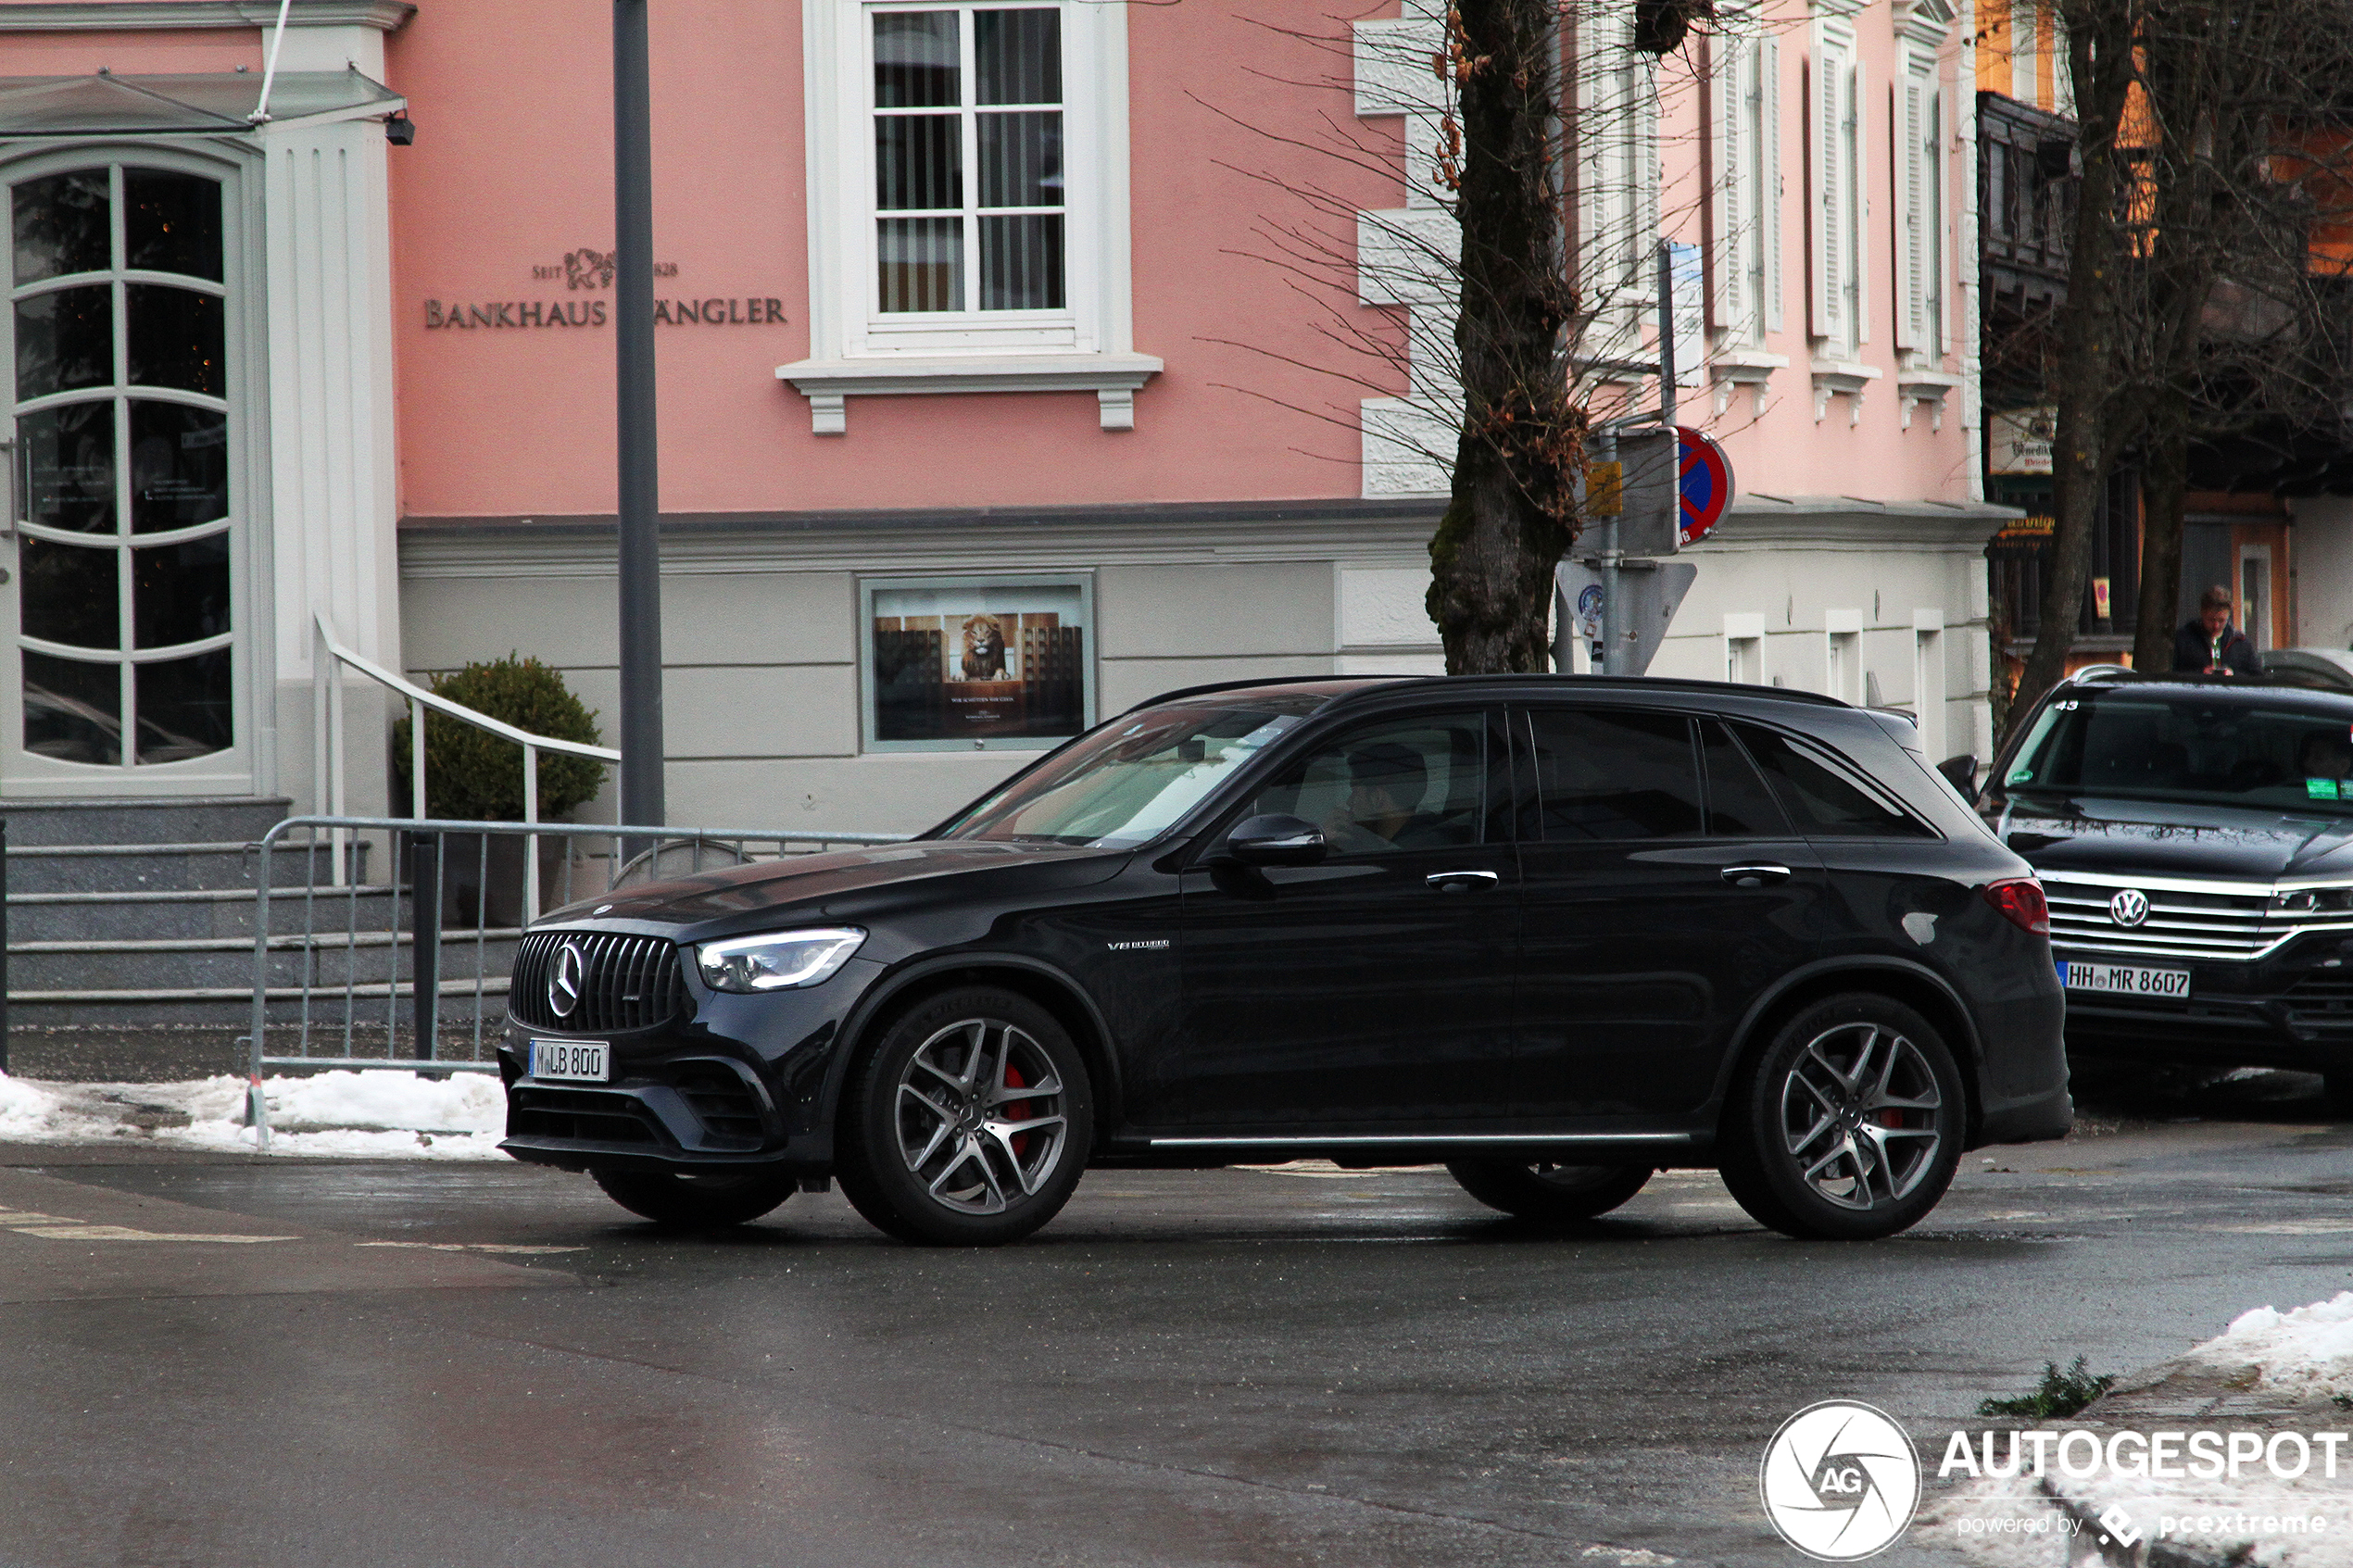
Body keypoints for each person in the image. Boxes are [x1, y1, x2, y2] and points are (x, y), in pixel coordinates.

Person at [2172, 585, 2259, 677]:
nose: (2216, 626)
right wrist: (2200, 674)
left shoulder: (2240, 642)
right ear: (2202, 613)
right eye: (2211, 620)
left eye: (2221, 620)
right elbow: (2171, 675)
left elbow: (2258, 677)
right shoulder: (2183, 639)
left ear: (2229, 614)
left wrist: (2233, 675)